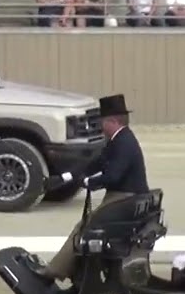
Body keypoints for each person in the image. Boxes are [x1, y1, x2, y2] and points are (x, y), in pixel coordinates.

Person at [37, 94, 149, 283]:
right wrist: (65, 178)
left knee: (84, 228)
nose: (100, 125)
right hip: (125, 199)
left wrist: (89, 183)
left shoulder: (123, 143)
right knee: (85, 226)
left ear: (112, 121)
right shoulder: (119, 139)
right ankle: (74, 271)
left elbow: (113, 176)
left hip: (124, 200)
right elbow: (95, 163)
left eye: (102, 121)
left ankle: (54, 271)